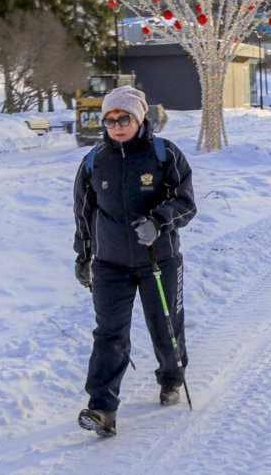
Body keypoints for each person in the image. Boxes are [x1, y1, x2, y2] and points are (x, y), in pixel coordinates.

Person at [72, 86, 197, 438]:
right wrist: (83, 256)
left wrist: (158, 220)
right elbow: (83, 213)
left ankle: (172, 378)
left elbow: (186, 202)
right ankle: (102, 409)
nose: (116, 126)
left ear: (139, 118)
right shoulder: (95, 160)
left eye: (123, 118)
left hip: (159, 260)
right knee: (109, 334)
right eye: (109, 120)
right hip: (110, 263)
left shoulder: (164, 154)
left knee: (165, 325)